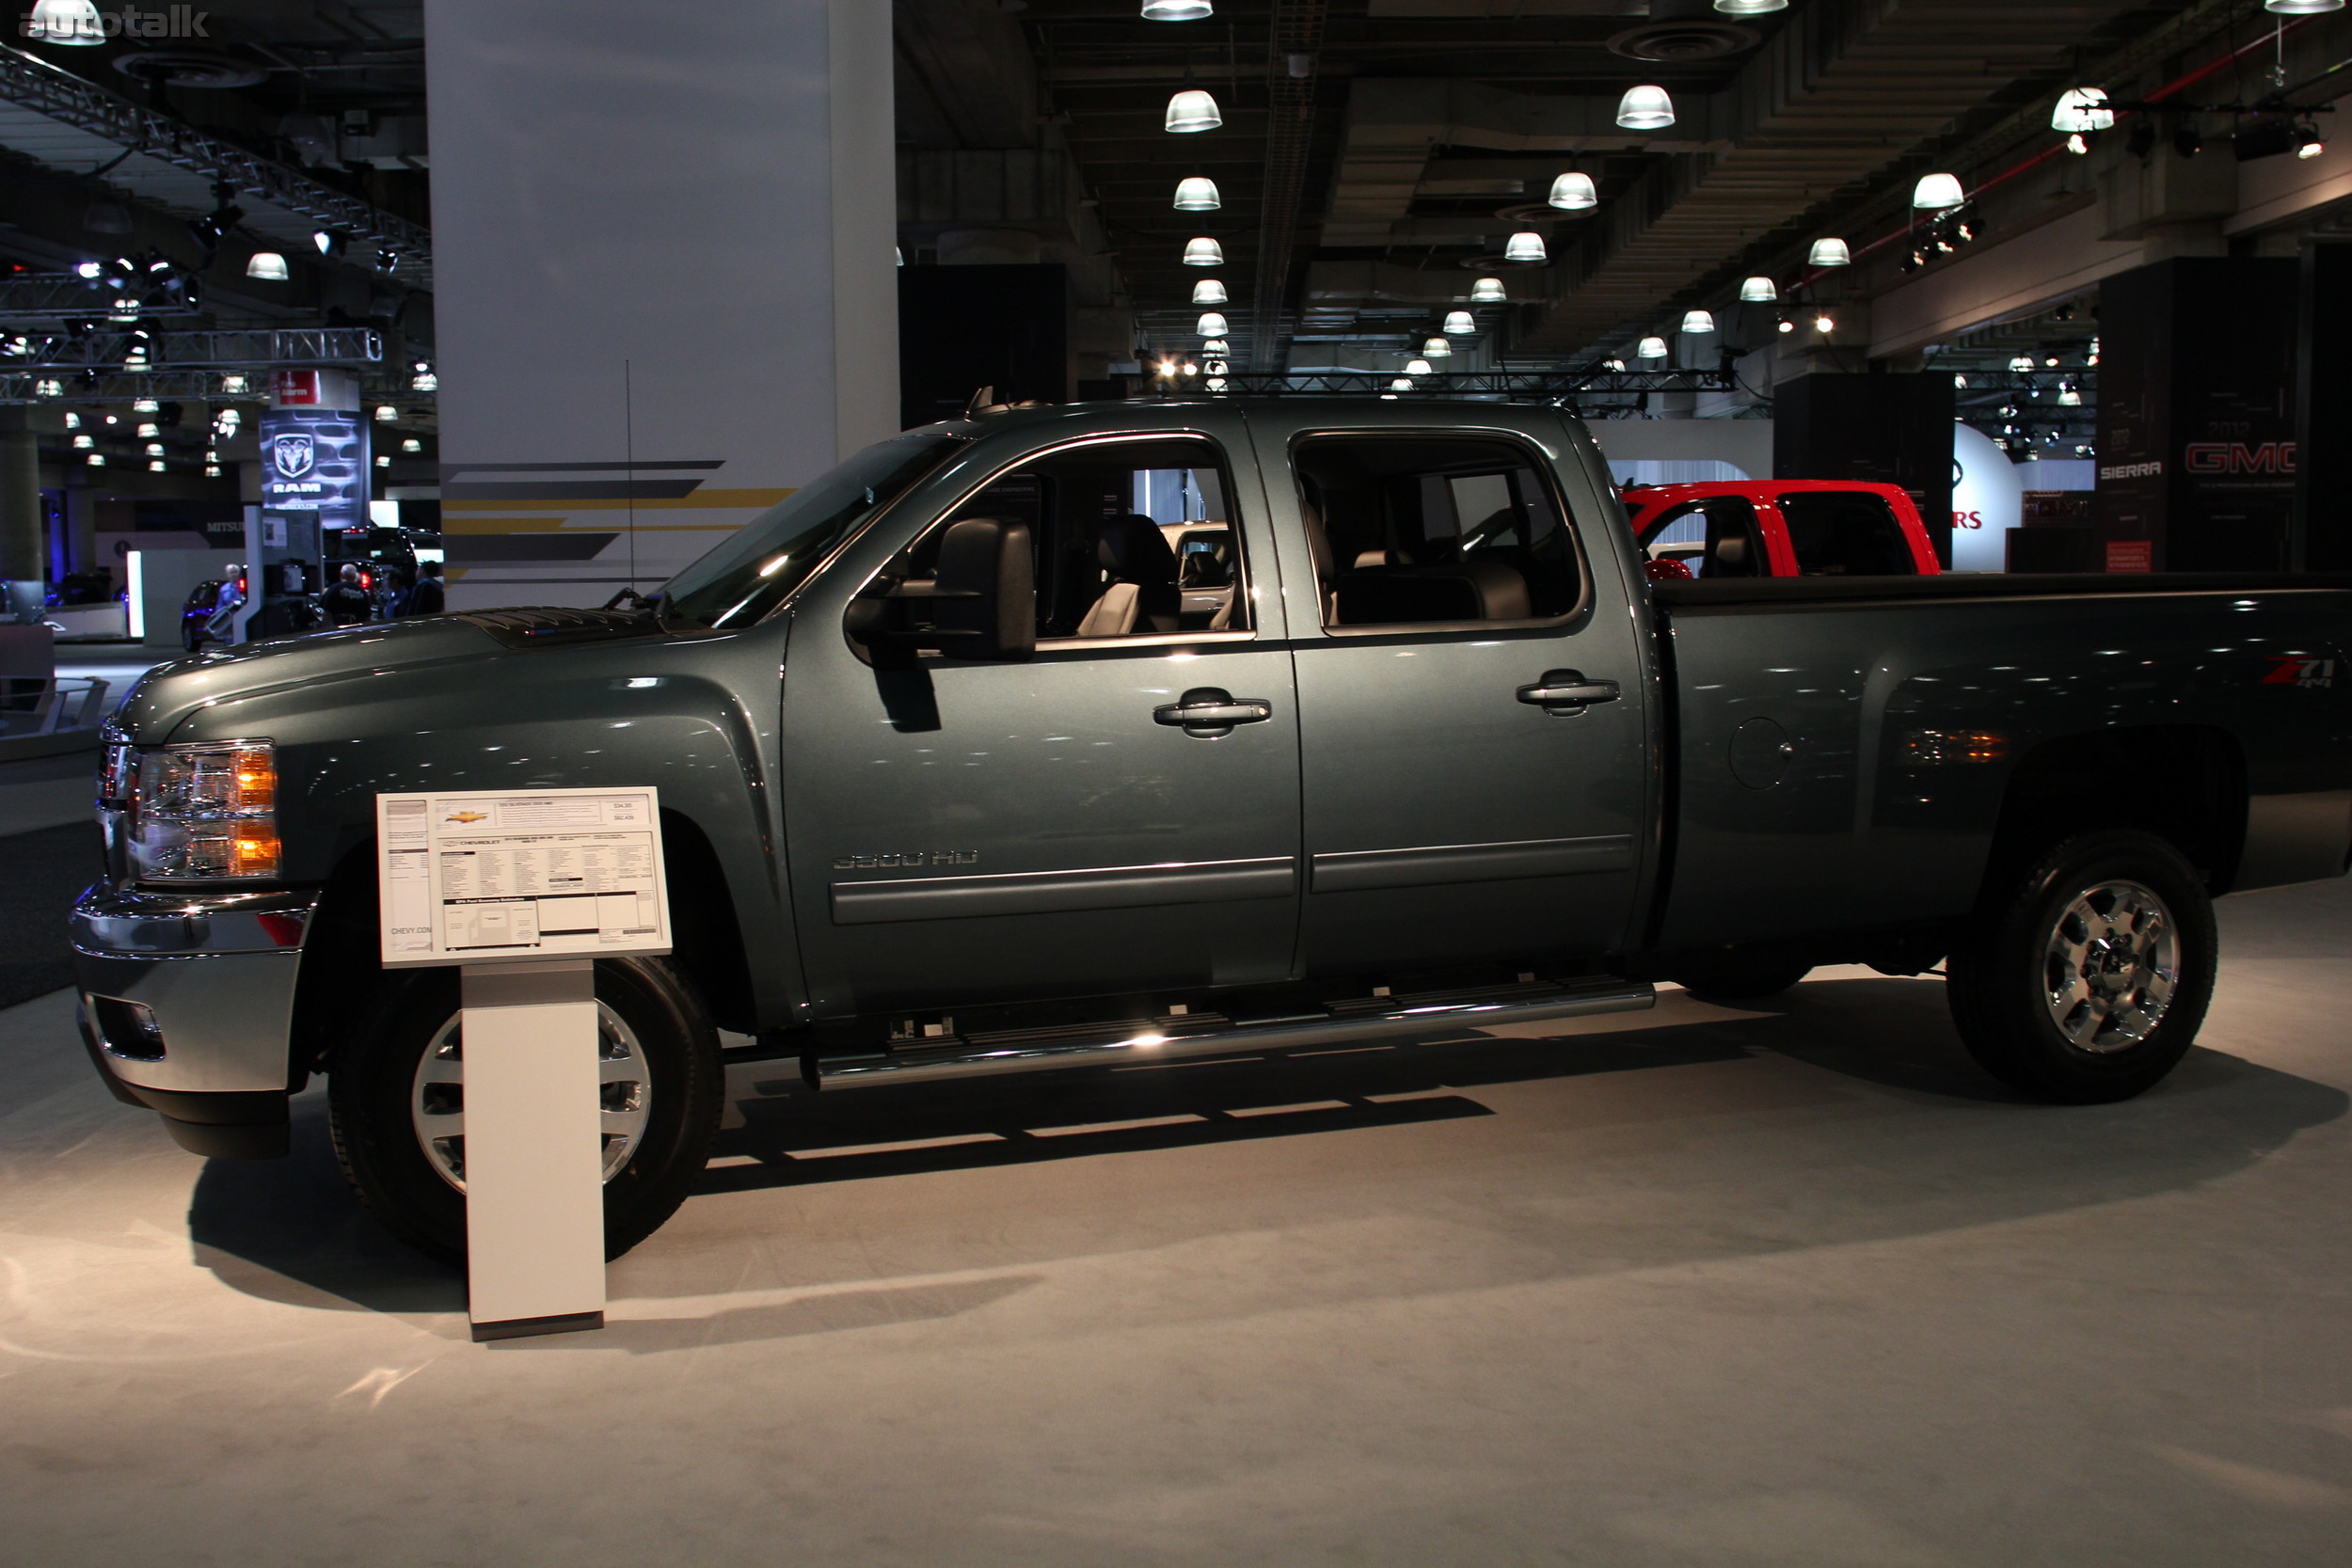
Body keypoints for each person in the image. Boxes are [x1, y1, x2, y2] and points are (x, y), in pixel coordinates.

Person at [321, 562, 373, 626]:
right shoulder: (362, 592)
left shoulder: (333, 589)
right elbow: (368, 617)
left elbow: (326, 614)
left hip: (338, 628)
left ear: (341, 574)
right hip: (357, 629)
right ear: (355, 576)